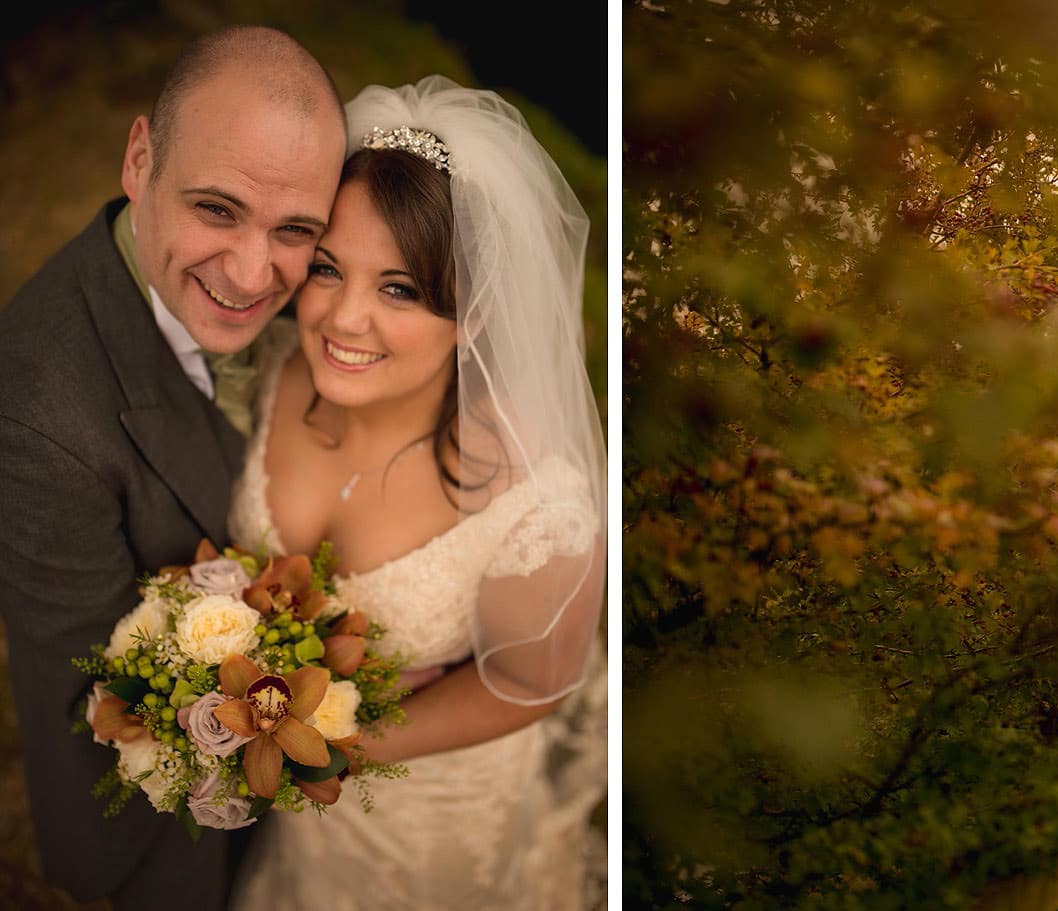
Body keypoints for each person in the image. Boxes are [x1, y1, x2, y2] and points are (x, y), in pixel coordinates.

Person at [219, 75, 607, 909]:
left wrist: (333, 739)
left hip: (432, 821)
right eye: (327, 267)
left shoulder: (540, 498)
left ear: (471, 308)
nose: (341, 318)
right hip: (295, 812)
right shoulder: (274, 373)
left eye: (398, 288)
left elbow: (529, 682)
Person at [0, 27, 346, 910]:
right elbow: (100, 699)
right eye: (217, 208)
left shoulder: (331, 306)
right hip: (165, 817)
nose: (250, 272)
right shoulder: (36, 413)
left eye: (294, 230)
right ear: (140, 157)